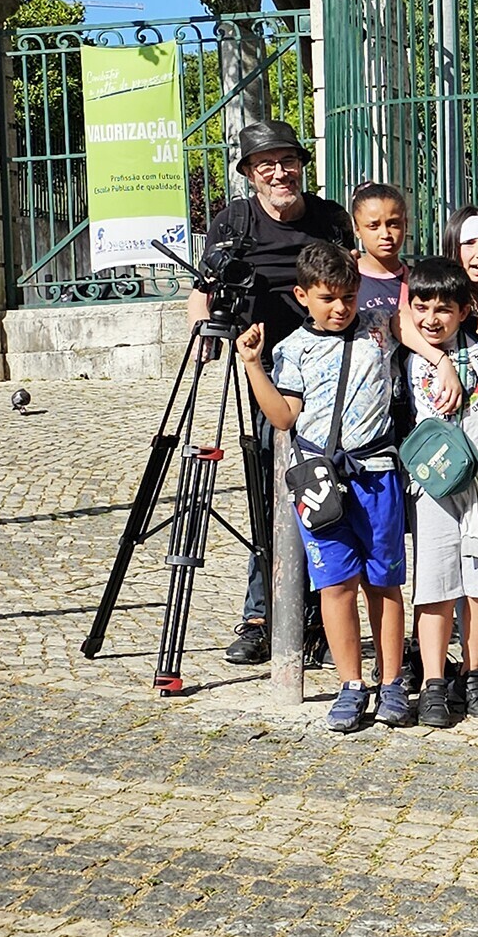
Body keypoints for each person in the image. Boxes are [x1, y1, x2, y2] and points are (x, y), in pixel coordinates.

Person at [235, 241, 453, 732]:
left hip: (376, 475)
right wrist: (252, 365)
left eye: (348, 297)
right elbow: (283, 416)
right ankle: (351, 684)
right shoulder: (291, 350)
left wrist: (440, 361)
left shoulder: (379, 329)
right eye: (328, 298)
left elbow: (403, 323)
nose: (340, 308)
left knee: (384, 581)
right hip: (319, 483)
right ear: (302, 295)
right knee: (335, 585)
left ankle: (393, 680)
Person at [194, 119, 358, 667]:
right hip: (268, 380)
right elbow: (203, 291)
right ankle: (263, 614)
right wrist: (206, 340)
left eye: (288, 161)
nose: (280, 171)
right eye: (267, 164)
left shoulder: (330, 219)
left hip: (332, 373)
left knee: (331, 498)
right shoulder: (234, 222)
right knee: (273, 496)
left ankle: (316, 618)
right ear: (249, 174)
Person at [397, 257, 478, 727]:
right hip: (434, 482)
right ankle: (432, 681)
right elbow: (398, 317)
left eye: (444, 309)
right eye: (422, 307)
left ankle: (474, 673)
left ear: (465, 310)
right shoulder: (410, 352)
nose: (432, 318)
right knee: (436, 585)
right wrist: (439, 358)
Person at [351, 183, 410, 318]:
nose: (385, 234)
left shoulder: (418, 281)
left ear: (405, 224)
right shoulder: (344, 279)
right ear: (357, 229)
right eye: (373, 226)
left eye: (393, 224)